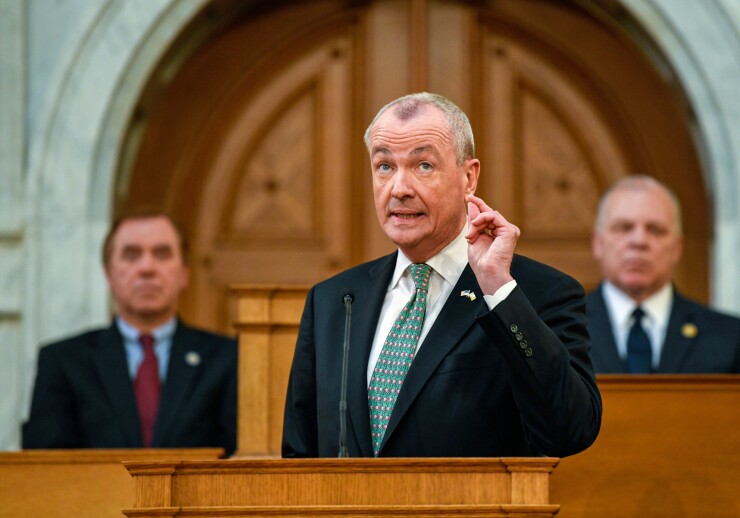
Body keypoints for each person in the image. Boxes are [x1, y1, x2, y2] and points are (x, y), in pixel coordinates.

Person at [282, 92, 602, 458]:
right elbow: (300, 453)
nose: (399, 189)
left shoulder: (535, 293)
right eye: (384, 166)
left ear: (469, 177)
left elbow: (569, 431)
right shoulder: (333, 301)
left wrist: (499, 291)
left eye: (423, 166)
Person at [23, 209, 238, 454]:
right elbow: (44, 468)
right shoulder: (64, 362)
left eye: (162, 254)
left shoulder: (227, 359)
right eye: (131, 255)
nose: (147, 268)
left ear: (185, 274)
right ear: (108, 274)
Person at [588, 175, 740, 373]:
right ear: (598, 243)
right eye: (624, 228)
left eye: (655, 230)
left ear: (677, 248)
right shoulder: (557, 332)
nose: (639, 241)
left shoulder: (729, 337)